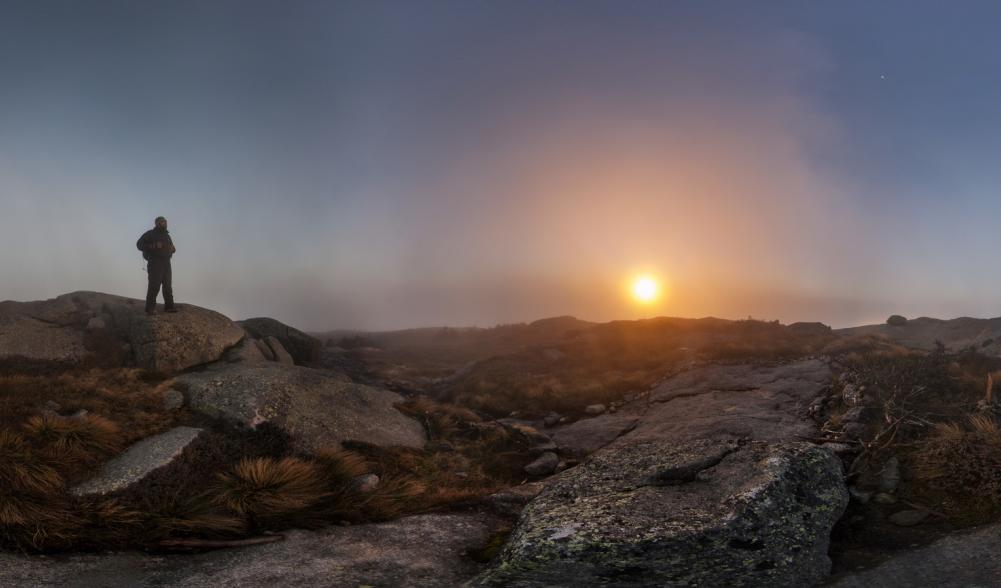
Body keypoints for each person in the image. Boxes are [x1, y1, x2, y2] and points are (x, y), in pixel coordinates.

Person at [136, 216, 178, 315]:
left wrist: (173, 249)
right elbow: (139, 245)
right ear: (157, 223)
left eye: (165, 222)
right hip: (155, 262)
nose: (164, 223)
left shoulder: (167, 236)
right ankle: (150, 308)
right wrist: (153, 246)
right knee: (154, 286)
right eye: (161, 222)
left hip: (167, 262)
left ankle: (169, 307)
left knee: (168, 286)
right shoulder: (150, 234)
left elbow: (172, 247)